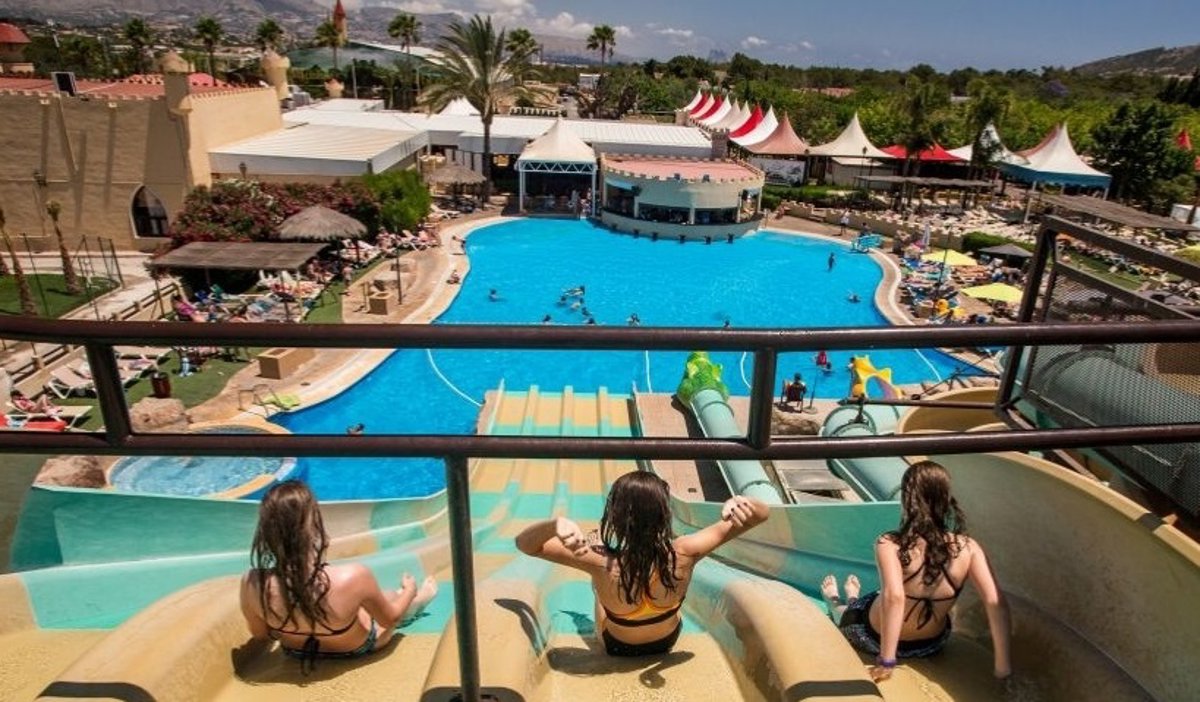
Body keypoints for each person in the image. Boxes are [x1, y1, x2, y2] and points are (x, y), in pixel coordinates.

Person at [515, 472, 769, 657]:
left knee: (599, 581)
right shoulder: (686, 550)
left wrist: (554, 525)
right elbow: (761, 515)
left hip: (618, 647)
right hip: (667, 641)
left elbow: (525, 545)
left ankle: (604, 584)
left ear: (615, 516)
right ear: (664, 515)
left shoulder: (600, 561)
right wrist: (743, 502)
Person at [820, 461, 1011, 684]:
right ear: (946, 499)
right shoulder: (969, 548)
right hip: (931, 644)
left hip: (872, 637)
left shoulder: (890, 543)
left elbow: (895, 597)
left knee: (852, 611)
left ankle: (837, 601)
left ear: (907, 499)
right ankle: (852, 596)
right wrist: (1003, 668)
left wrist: (887, 662)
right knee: (886, 596)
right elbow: (995, 602)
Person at [240, 481, 438, 673]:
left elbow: (261, 634)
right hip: (355, 649)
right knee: (390, 598)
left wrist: (294, 617)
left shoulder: (252, 581)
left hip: (296, 651)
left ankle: (403, 598)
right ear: (314, 527)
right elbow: (390, 620)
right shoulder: (353, 576)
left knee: (359, 602)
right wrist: (410, 590)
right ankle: (418, 599)